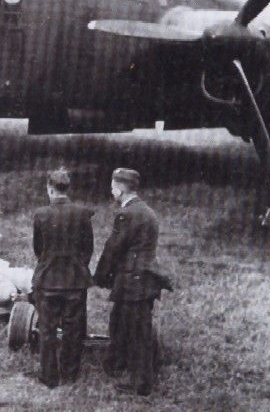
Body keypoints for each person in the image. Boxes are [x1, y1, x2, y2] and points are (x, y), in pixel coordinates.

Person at [94, 168, 170, 396]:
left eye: (112, 186)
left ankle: (141, 383)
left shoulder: (126, 214)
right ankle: (116, 363)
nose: (111, 190)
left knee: (138, 332)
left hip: (132, 282)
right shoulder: (147, 211)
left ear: (120, 188)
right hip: (144, 280)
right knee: (120, 321)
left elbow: (113, 248)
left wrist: (99, 276)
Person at [31, 169, 95, 388]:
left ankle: (49, 376)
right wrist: (76, 266)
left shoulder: (40, 214)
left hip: (48, 280)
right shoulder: (83, 213)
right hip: (75, 280)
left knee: (47, 330)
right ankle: (70, 373)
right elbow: (88, 249)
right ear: (67, 188)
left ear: (50, 189)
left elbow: (38, 249)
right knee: (73, 328)